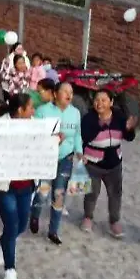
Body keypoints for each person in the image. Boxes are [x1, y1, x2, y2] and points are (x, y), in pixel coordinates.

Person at [0, 93, 41, 279]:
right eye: (30, 107)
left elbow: (43, 145)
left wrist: (54, 141)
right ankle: (10, 269)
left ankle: (2, 242)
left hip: (26, 184)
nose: (33, 110)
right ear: (20, 110)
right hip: (4, 185)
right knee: (11, 223)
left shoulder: (36, 126)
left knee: (22, 224)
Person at [32, 81, 83, 245]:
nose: (69, 95)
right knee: (43, 193)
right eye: (65, 91)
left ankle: (53, 231)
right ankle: (35, 215)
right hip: (46, 158)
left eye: (71, 92)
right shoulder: (42, 111)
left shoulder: (75, 113)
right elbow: (34, 134)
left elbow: (77, 134)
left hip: (65, 159)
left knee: (59, 194)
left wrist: (79, 151)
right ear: (55, 94)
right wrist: (51, 139)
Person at [80, 90, 136, 237]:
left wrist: (129, 129)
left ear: (111, 102)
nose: (99, 103)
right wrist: (101, 124)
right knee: (91, 192)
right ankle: (88, 217)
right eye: (97, 100)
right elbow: (85, 136)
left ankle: (114, 221)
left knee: (115, 193)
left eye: (104, 100)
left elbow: (129, 137)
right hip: (93, 163)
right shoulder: (88, 118)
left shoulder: (119, 116)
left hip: (114, 163)